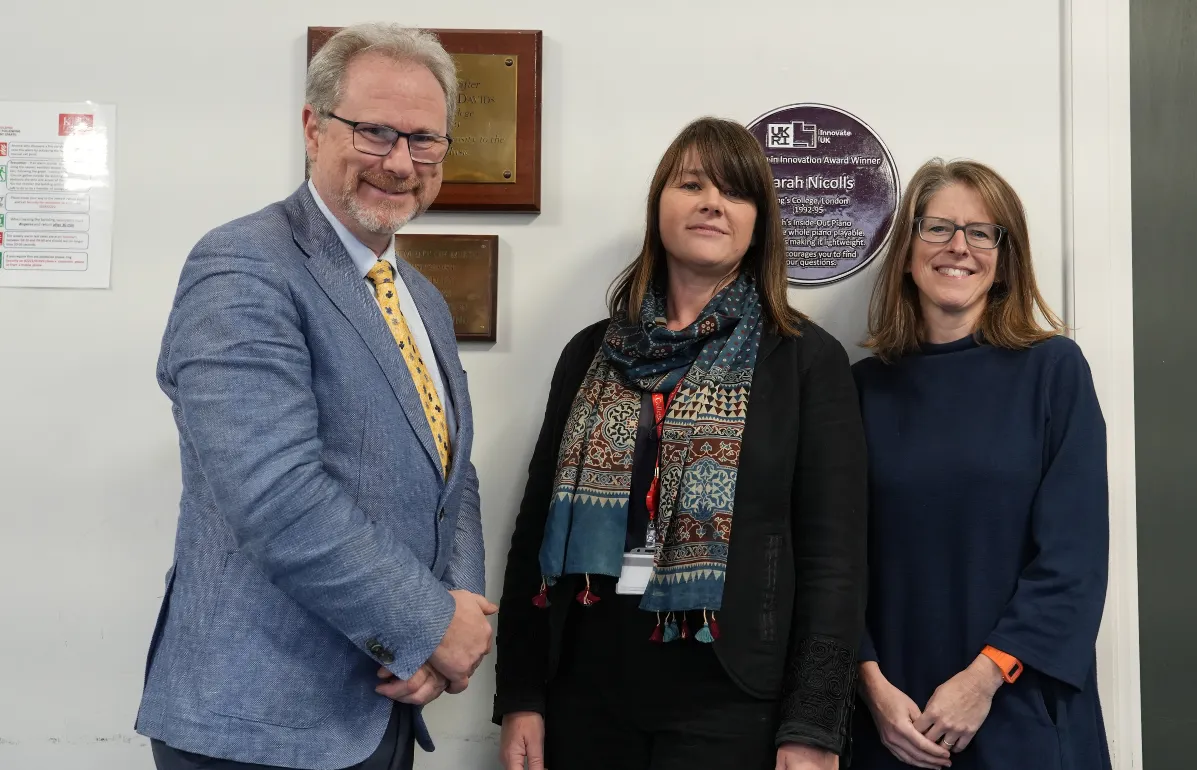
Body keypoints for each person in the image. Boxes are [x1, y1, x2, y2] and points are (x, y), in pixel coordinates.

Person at [134, 23, 496, 770]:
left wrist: (459, 622)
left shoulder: (418, 295)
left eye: (424, 140)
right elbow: (276, 494)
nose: (400, 162)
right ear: (312, 128)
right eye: (375, 132)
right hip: (256, 722)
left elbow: (450, 478)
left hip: (383, 707)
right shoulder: (242, 265)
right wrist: (431, 624)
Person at [493, 117, 867, 770]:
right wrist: (521, 692)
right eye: (690, 183)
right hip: (586, 687)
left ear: (759, 222)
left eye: (734, 191)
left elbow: (834, 562)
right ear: (658, 205)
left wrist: (812, 726)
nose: (710, 203)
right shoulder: (592, 352)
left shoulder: (805, 362)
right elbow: (533, 534)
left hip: (732, 696)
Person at [851, 158, 1110, 770]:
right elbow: (834, 559)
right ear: (908, 251)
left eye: (981, 232)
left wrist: (984, 679)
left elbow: (1073, 558)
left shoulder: (1053, 371)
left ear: (1003, 258)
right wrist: (869, 688)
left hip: (1018, 704)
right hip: (894, 719)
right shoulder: (858, 389)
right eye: (937, 228)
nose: (958, 247)